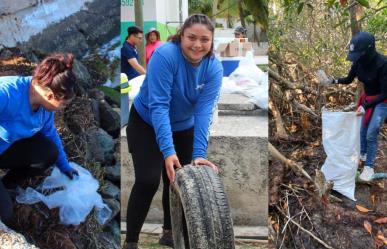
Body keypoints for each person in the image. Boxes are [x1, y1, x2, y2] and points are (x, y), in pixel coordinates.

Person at [123, 14, 222, 249]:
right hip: (146, 121)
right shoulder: (165, 56)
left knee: (178, 180)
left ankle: (169, 233)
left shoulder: (214, 67)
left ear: (211, 41)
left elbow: (204, 112)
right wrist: (167, 150)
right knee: (147, 181)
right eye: (192, 38)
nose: (197, 45)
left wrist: (199, 153)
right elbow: (159, 106)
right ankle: (131, 241)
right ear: (182, 36)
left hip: (183, 126)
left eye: (204, 39)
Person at [0, 53, 79, 225]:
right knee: (5, 214)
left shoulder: (43, 107)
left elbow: (50, 133)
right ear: (49, 94)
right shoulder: (6, 94)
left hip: (5, 149)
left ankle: (7, 184)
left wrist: (65, 166)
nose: (62, 108)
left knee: (48, 152)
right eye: (63, 103)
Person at [321, 32, 387, 182]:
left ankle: (369, 167)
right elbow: (348, 79)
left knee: (372, 132)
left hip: (382, 101)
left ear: (369, 51)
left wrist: (365, 105)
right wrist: (331, 81)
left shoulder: (383, 63)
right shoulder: (358, 62)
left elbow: (384, 93)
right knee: (362, 128)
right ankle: (362, 154)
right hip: (367, 98)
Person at [121, 26, 146, 127]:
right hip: (130, 82)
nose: (141, 40)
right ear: (131, 36)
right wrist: (149, 75)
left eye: (141, 38)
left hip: (134, 79)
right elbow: (136, 65)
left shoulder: (132, 46)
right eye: (139, 38)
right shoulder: (126, 48)